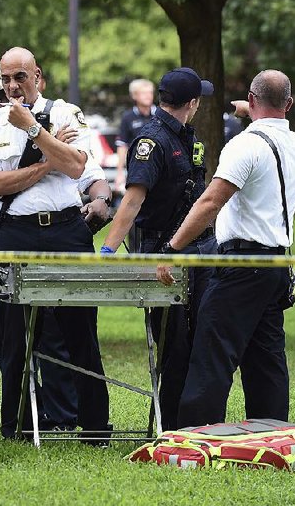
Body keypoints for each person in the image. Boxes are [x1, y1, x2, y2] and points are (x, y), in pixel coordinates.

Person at [156, 69, 295, 429]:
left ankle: (195, 436)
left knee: (211, 352)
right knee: (266, 358)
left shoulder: (245, 145)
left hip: (240, 265)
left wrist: (172, 248)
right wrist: (251, 110)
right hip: (275, 265)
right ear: (288, 104)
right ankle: (271, 433)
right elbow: (269, 116)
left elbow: (211, 201)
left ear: (252, 100)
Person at [0, 47, 111, 443]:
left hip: (66, 229)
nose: (13, 86)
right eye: (6, 79)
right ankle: (14, 425)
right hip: (15, 231)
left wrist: (35, 130)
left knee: (80, 330)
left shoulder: (66, 113)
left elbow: (78, 167)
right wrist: (49, 160)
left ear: (39, 78)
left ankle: (95, 426)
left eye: (21, 76)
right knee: (13, 335)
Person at [101, 67, 216, 430]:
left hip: (198, 251)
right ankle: (173, 428)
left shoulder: (183, 136)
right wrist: (108, 251)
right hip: (162, 256)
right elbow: (132, 202)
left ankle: (197, 424)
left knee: (200, 341)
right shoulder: (152, 142)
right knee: (173, 347)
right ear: (192, 103)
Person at [115, 79, 156, 192]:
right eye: (144, 93)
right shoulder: (128, 117)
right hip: (137, 169)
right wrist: (119, 173)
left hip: (159, 167)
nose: (148, 96)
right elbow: (122, 145)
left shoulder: (160, 115)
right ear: (134, 96)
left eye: (150, 92)